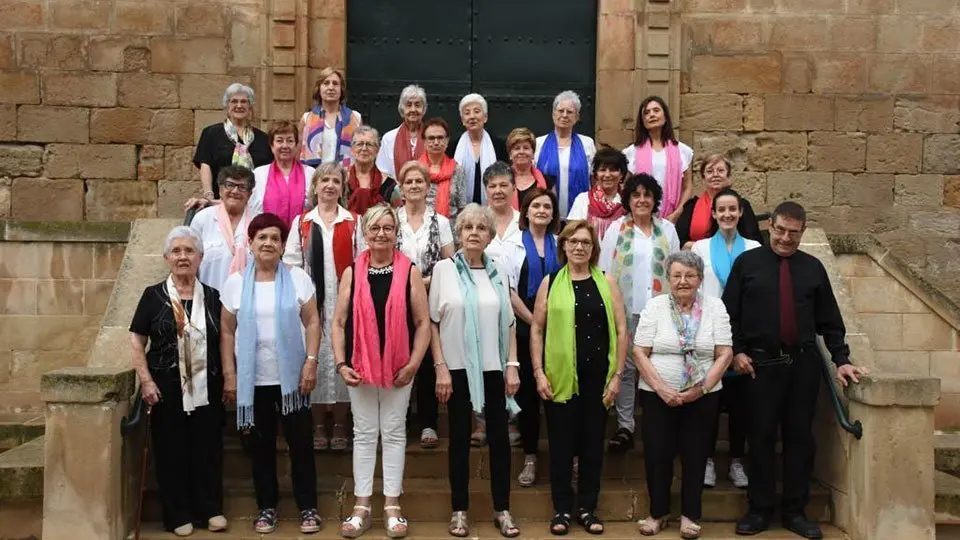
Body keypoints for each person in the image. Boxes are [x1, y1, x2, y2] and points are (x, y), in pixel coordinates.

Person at [722, 201, 869, 539]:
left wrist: (842, 359)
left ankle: (795, 511)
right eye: (780, 230)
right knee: (759, 439)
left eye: (793, 232)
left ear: (802, 232)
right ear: (769, 226)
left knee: (800, 439)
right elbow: (729, 314)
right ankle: (759, 509)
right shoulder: (747, 264)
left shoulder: (813, 268)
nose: (785, 238)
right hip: (758, 367)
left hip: (803, 366)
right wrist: (737, 353)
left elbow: (831, 321)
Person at [331, 204, 431, 539]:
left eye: (387, 228)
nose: (381, 234)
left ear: (396, 232)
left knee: (392, 432)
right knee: (363, 433)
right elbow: (339, 322)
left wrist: (414, 364)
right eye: (374, 228)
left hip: (399, 367)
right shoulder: (352, 272)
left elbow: (421, 323)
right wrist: (341, 363)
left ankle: (391, 505)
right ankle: (361, 505)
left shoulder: (409, 271)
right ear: (365, 233)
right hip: (359, 367)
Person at [221, 213, 323, 534]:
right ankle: (266, 506)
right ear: (250, 244)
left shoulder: (298, 279)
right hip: (256, 383)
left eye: (275, 238)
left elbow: (312, 322)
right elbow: (226, 330)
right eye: (262, 237)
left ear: (283, 245)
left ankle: (308, 507)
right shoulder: (236, 282)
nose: (268, 243)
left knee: (301, 444)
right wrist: (230, 374)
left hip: (292, 381)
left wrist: (310, 361)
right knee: (261, 448)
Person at [429, 204, 521, 538]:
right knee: (457, 440)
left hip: (493, 368)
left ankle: (502, 509)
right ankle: (459, 511)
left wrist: (513, 365)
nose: (473, 233)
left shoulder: (498, 270)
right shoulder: (444, 270)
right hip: (455, 368)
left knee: (499, 439)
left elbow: (509, 322)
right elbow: (434, 323)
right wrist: (440, 368)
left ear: (489, 235)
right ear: (459, 232)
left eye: (480, 228)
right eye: (467, 227)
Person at [529, 220, 627, 535]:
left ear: (593, 247)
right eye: (573, 241)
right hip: (559, 378)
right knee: (560, 445)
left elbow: (623, 330)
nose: (579, 247)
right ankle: (561, 510)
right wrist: (538, 371)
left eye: (585, 242)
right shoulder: (551, 281)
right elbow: (537, 328)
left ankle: (587, 508)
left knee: (591, 446)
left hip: (598, 378)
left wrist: (617, 377)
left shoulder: (606, 281)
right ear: (564, 246)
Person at [129, 226, 226, 537]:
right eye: (177, 251)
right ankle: (177, 514)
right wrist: (145, 381)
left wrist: (229, 378)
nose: (183, 257)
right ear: (167, 257)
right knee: (171, 451)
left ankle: (209, 509)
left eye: (189, 251)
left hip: (207, 386)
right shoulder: (152, 295)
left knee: (207, 449)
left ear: (200, 257)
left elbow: (224, 339)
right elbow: (136, 340)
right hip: (167, 387)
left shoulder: (212, 296)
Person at [633, 251, 733, 539]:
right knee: (657, 454)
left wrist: (699, 389)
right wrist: (663, 389)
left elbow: (724, 354)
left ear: (700, 279)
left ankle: (690, 516)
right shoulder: (655, 307)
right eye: (676, 275)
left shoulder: (715, 308)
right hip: (657, 395)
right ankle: (657, 513)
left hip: (703, 396)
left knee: (696, 454)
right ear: (668, 279)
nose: (683, 281)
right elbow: (640, 352)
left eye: (689, 275)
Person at [284, 163, 365, 452]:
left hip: (345, 305)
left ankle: (341, 423)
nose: (330, 185)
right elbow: (292, 264)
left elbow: (362, 262)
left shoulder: (354, 222)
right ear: (315, 186)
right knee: (315, 358)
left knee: (343, 359)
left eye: (335, 181)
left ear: (343, 188)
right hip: (312, 307)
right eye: (324, 180)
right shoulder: (301, 223)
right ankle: (318, 424)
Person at [599, 173, 680, 453]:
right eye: (636, 195)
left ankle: (662, 424)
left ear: (655, 199)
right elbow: (605, 271)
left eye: (648, 195)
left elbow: (677, 271)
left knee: (658, 365)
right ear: (629, 200)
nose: (642, 200)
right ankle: (625, 426)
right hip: (626, 309)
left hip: (660, 311)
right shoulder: (617, 229)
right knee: (627, 367)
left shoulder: (667, 230)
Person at [691, 188, 761, 489]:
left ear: (741, 212)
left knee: (741, 403)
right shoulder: (701, 249)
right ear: (714, 214)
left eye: (733, 209)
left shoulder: (756, 248)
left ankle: (735, 461)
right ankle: (706, 460)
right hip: (708, 334)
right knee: (708, 400)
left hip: (744, 334)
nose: (728, 214)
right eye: (722, 210)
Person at [395, 160, 456, 448]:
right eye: (409, 182)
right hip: (397, 299)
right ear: (401, 187)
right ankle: (401, 418)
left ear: (428, 187)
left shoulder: (440, 222)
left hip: (431, 298)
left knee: (430, 361)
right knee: (401, 357)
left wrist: (422, 282)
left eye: (420, 181)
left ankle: (429, 423)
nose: (415, 186)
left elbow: (450, 262)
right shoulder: (391, 220)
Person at [502, 188, 560, 487]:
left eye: (547, 206)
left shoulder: (562, 244)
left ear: (553, 213)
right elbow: (509, 290)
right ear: (525, 211)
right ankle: (530, 457)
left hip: (558, 331)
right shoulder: (512, 245)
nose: (541, 210)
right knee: (527, 395)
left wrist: (551, 324)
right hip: (524, 329)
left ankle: (565, 457)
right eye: (535, 205)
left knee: (557, 394)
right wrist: (535, 320)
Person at [192, 83, 272, 202]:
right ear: (227, 105)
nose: (239, 105)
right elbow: (205, 165)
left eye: (244, 101)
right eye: (234, 101)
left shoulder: (263, 138)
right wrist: (209, 195)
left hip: (255, 203)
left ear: (250, 106)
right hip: (220, 201)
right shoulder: (211, 133)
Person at [622, 96, 693, 223]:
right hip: (640, 217)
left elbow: (687, 186)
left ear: (665, 116)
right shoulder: (632, 152)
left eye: (656, 110)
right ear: (642, 121)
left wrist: (678, 212)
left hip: (672, 218)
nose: (652, 115)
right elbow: (625, 186)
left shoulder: (682, 150)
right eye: (647, 112)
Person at [189, 166, 257, 292]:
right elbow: (190, 260)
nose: (235, 191)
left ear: (249, 194)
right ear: (220, 190)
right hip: (209, 299)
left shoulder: (258, 222)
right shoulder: (203, 219)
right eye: (229, 185)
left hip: (248, 300)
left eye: (242, 187)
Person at [675, 154, 762, 249]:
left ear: (728, 176)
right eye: (710, 171)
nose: (715, 175)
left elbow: (754, 240)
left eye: (720, 171)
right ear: (703, 178)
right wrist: (706, 248)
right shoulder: (691, 206)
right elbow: (678, 241)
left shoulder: (742, 205)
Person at [535, 90, 597, 217]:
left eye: (569, 112)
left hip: (580, 214)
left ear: (577, 117)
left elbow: (594, 179)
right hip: (545, 213)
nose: (564, 115)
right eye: (560, 110)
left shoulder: (587, 143)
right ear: (553, 114)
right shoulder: (538, 143)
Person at [251, 120, 316, 226]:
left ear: (296, 145)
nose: (285, 146)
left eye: (290, 141)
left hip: (302, 237)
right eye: (279, 141)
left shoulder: (310, 173)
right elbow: (252, 210)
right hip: (268, 238)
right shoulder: (258, 174)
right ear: (272, 146)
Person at [299, 67, 363, 167]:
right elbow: (298, 153)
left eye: (335, 83)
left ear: (341, 89)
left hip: (345, 177)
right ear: (319, 88)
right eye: (326, 83)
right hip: (315, 176)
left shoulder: (355, 118)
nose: (331, 87)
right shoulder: (306, 119)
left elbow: (360, 153)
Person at [452, 93, 506, 205]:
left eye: (477, 111)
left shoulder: (499, 146)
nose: (472, 116)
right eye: (467, 113)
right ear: (462, 120)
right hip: (461, 211)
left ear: (485, 117)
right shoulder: (453, 147)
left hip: (492, 209)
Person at [567, 145, 628, 239]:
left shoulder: (628, 202)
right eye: (602, 170)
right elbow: (571, 234)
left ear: (622, 174)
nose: (607, 175)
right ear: (596, 175)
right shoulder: (583, 200)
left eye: (613, 170)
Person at [417, 117, 467, 222]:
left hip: (450, 232)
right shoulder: (415, 169)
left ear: (447, 140)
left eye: (440, 138)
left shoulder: (457, 170)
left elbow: (462, 207)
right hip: (421, 228)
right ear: (424, 142)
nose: (436, 142)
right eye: (431, 138)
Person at [346, 126, 402, 215]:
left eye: (369, 144)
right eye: (359, 144)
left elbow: (398, 215)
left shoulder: (389, 185)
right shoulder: (341, 180)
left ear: (377, 150)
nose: (364, 148)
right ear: (352, 149)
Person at [377, 84, 427, 180]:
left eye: (417, 105)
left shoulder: (432, 137)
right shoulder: (389, 138)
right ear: (402, 109)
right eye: (408, 105)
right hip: (397, 193)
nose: (413, 109)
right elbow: (382, 173)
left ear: (423, 109)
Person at [483, 161, 524, 265]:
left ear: (514, 188)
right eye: (492, 186)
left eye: (503, 185)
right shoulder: (476, 223)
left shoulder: (525, 223)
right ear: (485, 191)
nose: (498, 191)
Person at [507, 127, 548, 210]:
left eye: (526, 148)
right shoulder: (501, 180)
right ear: (510, 155)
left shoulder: (548, 182)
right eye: (517, 148)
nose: (521, 152)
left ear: (533, 154)